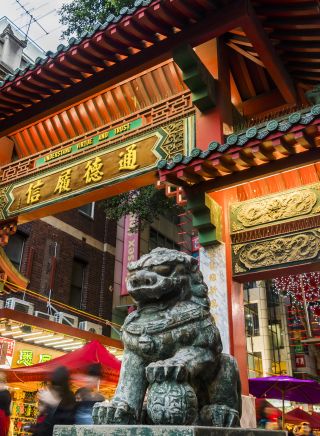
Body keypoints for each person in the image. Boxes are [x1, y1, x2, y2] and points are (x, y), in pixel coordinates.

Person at [36, 366, 75, 436]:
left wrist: (54, 403)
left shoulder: (69, 398)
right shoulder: (53, 397)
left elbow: (65, 422)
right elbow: (45, 425)